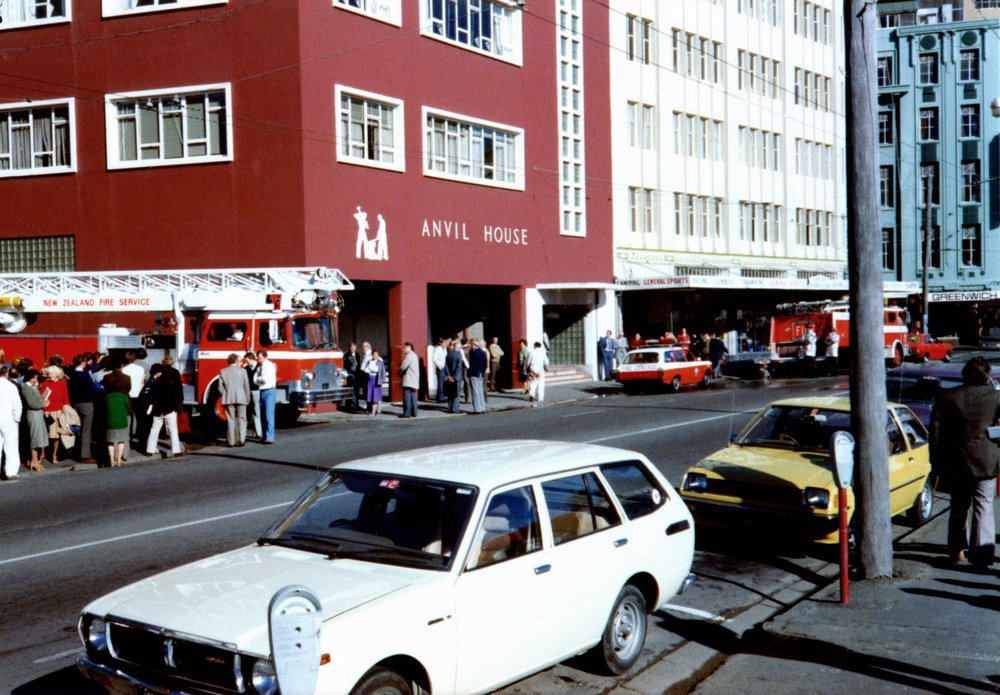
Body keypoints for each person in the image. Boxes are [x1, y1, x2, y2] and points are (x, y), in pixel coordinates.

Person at [930, 356, 1000, 569]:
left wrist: (936, 461)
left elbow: (935, 433)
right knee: (983, 506)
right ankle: (982, 555)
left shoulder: (947, 396)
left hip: (956, 461)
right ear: (986, 374)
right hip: (986, 461)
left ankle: (956, 550)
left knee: (959, 506)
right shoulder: (995, 397)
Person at [68, 353, 101, 464]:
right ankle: (85, 455)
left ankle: (75, 452)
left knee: (77, 429)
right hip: (86, 403)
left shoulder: (71, 375)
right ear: (82, 363)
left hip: (75, 404)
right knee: (86, 430)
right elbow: (92, 390)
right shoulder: (86, 376)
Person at [145, 365, 184, 458]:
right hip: (170, 410)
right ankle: (176, 451)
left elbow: (150, 397)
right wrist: (178, 409)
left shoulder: (156, 383)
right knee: (173, 430)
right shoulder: (172, 384)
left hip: (157, 411)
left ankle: (149, 450)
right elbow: (176, 399)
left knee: (154, 430)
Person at [101, 357, 132, 467]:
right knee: (123, 435)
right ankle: (123, 456)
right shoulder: (127, 378)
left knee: (110, 438)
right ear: (122, 365)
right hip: (124, 407)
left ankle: (112, 458)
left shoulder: (106, 377)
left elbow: (103, 388)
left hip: (110, 409)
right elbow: (129, 389)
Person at [41, 364, 71, 465]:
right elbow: (42, 397)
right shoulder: (45, 383)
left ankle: (54, 455)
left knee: (55, 436)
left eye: (52, 374)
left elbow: (66, 398)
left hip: (57, 411)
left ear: (57, 374)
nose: (50, 377)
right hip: (46, 411)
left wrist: (67, 410)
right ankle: (42, 453)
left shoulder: (62, 384)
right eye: (49, 375)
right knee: (44, 434)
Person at [219, 353, 251, 446]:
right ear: (236, 361)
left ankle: (231, 441)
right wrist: (248, 398)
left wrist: (225, 393)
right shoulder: (243, 371)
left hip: (228, 398)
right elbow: (246, 386)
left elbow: (220, 387)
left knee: (230, 420)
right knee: (242, 419)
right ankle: (241, 440)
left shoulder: (223, 371)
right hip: (241, 398)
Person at [20, 369, 48, 472]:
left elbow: (38, 400)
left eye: (36, 378)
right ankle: (34, 461)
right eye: (33, 378)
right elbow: (32, 404)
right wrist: (43, 404)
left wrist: (43, 399)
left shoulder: (32, 387)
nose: (35, 380)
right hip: (33, 414)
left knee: (38, 437)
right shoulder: (27, 388)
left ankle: (34, 460)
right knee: (35, 438)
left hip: (37, 414)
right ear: (28, 377)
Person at [0, 366, 23, 480]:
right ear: (7, 374)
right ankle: (11, 472)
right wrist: (17, 419)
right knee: (11, 445)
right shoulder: (10, 386)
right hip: (8, 418)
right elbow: (17, 404)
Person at [121, 350, 146, 448]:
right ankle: (141, 440)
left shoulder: (124, 370)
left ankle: (128, 440)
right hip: (139, 396)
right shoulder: (140, 368)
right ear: (135, 358)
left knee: (128, 419)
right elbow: (143, 382)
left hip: (128, 396)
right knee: (140, 419)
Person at [256, 349, 277, 443]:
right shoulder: (260, 367)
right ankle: (265, 436)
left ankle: (270, 437)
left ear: (265, 357)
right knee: (263, 416)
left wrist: (258, 379)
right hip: (262, 391)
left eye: (260, 358)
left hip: (269, 391)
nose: (258, 360)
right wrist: (258, 379)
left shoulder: (269, 366)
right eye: (258, 358)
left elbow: (264, 379)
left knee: (269, 415)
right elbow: (255, 379)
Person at [443, 340, 465, 414]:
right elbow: (458, 367)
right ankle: (455, 408)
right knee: (456, 393)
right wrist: (454, 377)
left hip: (450, 376)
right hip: (457, 377)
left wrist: (449, 376)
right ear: (458, 348)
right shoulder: (459, 355)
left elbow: (445, 366)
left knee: (450, 393)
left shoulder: (448, 354)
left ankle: (450, 408)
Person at [244, 351, 261, 439]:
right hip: (248, 391)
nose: (246, 362)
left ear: (251, 359)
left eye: (247, 360)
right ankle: (256, 431)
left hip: (256, 391)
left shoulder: (259, 367)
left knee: (256, 411)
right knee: (249, 411)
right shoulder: (246, 368)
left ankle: (258, 432)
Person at [399, 342, 419, 418]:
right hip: (413, 379)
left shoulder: (408, 356)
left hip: (408, 379)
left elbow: (403, 367)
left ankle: (407, 413)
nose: (403, 349)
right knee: (413, 396)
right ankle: (414, 412)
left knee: (406, 397)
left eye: (405, 348)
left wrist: (400, 372)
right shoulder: (414, 355)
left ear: (409, 348)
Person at [364, 349, 387, 416]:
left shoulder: (380, 362)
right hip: (370, 379)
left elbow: (383, 371)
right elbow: (366, 369)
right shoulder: (369, 362)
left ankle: (378, 409)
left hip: (377, 379)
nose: (375, 356)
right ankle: (373, 410)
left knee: (378, 394)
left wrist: (383, 380)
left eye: (376, 354)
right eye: (374, 354)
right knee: (371, 394)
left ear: (378, 355)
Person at [468, 339, 488, 414]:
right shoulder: (483, 352)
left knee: (475, 392)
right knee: (480, 391)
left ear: (474, 345)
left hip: (474, 373)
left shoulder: (474, 353)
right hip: (481, 373)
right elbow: (485, 364)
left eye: (472, 344)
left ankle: (477, 409)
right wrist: (482, 371)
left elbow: (472, 364)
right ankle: (482, 407)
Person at [343, 342, 359, 411]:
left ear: (356, 348)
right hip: (349, 375)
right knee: (349, 390)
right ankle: (348, 405)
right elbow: (345, 365)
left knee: (356, 390)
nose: (352, 349)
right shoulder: (346, 355)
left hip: (356, 375)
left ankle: (356, 405)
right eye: (351, 347)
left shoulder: (357, 355)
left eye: (354, 347)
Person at [432, 337, 448, 402]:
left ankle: (440, 396)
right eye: (443, 342)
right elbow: (434, 359)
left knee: (443, 382)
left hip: (444, 367)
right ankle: (440, 398)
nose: (445, 344)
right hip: (440, 367)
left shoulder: (444, 349)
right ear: (440, 343)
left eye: (445, 342)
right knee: (441, 383)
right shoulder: (438, 349)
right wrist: (439, 366)